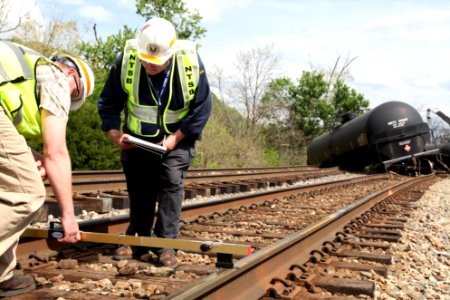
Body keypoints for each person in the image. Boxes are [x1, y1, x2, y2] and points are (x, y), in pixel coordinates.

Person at [98, 17, 212, 267]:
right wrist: (114, 133)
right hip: (136, 139)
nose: (150, 65)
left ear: (170, 54)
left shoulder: (190, 63)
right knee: (140, 188)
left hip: (177, 139)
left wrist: (176, 138)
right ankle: (138, 238)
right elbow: (109, 101)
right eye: (146, 60)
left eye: (156, 62)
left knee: (171, 182)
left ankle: (165, 245)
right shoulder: (127, 60)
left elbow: (201, 109)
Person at [0, 41, 95, 297]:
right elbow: (56, 153)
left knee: (9, 187)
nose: (70, 101)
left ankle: (2, 274)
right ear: (71, 74)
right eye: (76, 95)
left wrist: (33, 157)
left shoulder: (27, 71)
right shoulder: (56, 77)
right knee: (27, 194)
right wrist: (68, 216)